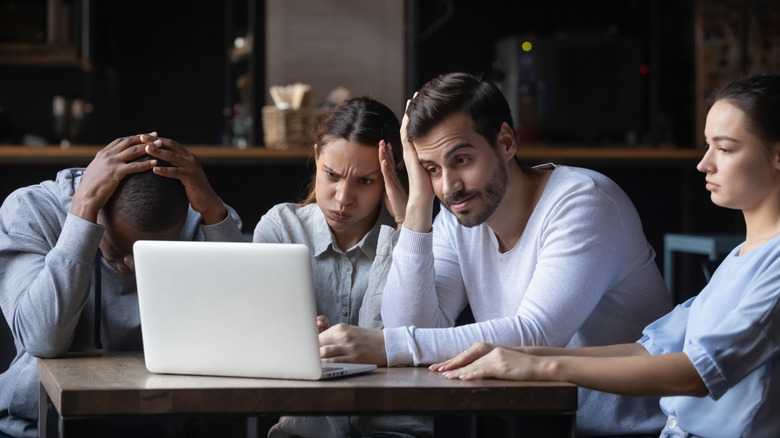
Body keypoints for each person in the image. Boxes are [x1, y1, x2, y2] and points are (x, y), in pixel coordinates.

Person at [319, 72, 674, 436]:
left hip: (637, 432)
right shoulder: (458, 217)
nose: (449, 187)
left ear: (506, 142)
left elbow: (535, 335)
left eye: (462, 160)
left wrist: (385, 347)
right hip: (545, 426)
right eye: (431, 170)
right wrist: (419, 205)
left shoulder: (583, 202)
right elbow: (411, 326)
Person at [432, 74, 780, 438]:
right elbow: (648, 351)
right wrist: (522, 356)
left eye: (724, 148)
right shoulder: (741, 257)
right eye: (707, 146)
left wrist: (545, 367)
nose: (704, 163)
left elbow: (696, 372)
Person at [0, 133, 244, 438]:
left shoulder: (204, 219)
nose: (133, 266)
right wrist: (82, 213)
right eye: (119, 250)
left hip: (170, 421)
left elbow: (243, 328)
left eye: (151, 254)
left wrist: (212, 210)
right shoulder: (31, 211)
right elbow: (42, 340)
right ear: (96, 204)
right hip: (39, 425)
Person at [253, 97, 430, 438]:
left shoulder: (415, 237)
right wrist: (292, 341)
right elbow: (255, 342)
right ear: (317, 156)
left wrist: (404, 225)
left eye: (365, 181)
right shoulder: (281, 229)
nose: (343, 197)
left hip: (395, 430)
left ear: (390, 176)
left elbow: (406, 338)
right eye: (331, 175)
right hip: (304, 430)